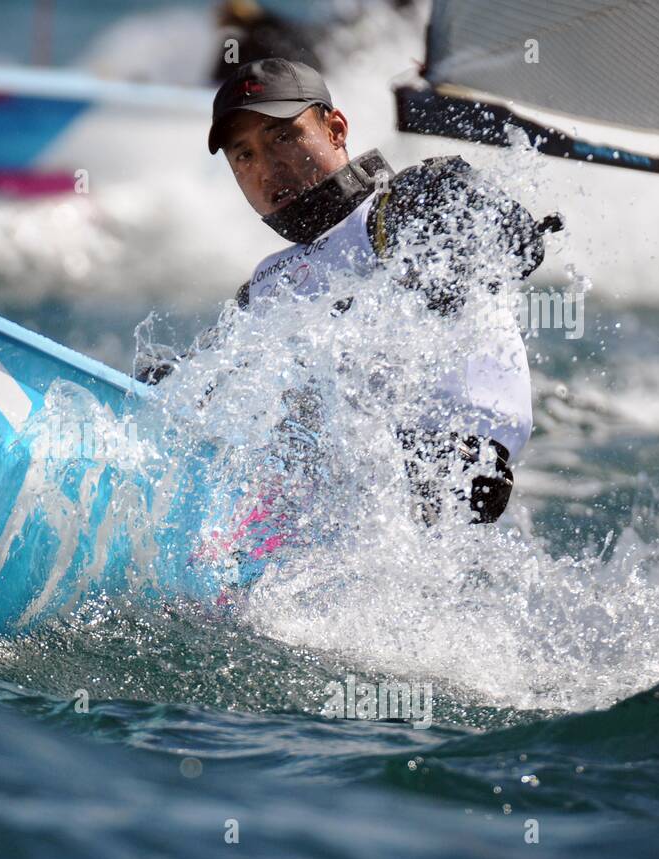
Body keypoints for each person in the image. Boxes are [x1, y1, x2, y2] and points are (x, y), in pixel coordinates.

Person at [142, 58, 561, 525]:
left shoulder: (397, 208)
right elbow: (202, 387)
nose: (267, 167)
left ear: (336, 129)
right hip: (329, 511)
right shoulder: (265, 284)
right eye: (244, 155)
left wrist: (465, 227)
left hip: (450, 485)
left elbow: (516, 244)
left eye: (283, 136)